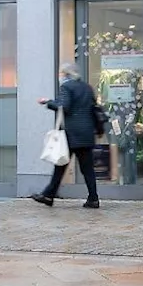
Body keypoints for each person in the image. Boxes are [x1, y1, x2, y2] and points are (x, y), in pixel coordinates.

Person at [32, 63, 102, 208]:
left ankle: (48, 195)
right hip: (86, 133)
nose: (59, 76)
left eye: (60, 74)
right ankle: (93, 199)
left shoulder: (66, 87)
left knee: (60, 164)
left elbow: (64, 106)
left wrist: (48, 102)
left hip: (71, 134)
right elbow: (94, 109)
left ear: (66, 74)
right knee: (87, 169)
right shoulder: (87, 87)